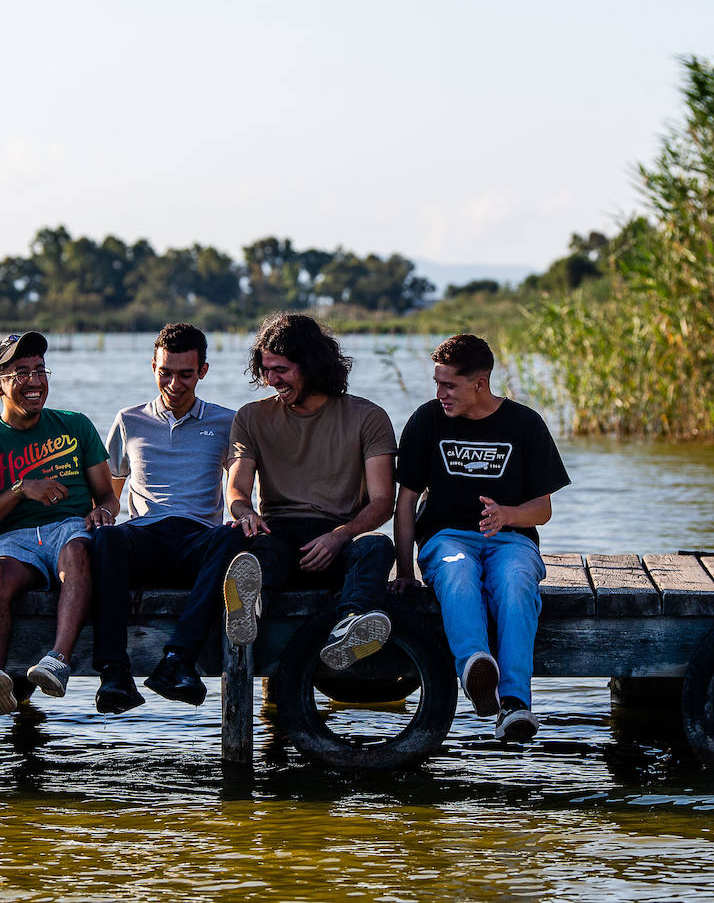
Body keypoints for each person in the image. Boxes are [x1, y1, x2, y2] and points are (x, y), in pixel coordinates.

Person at [390, 334, 570, 742]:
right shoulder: (427, 420)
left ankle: (514, 706)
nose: (440, 394)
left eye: (448, 385)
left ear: (479, 382)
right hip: (447, 538)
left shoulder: (525, 424)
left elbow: (542, 509)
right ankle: (475, 669)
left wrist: (508, 515)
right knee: (458, 575)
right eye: (437, 383)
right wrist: (404, 570)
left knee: (515, 584)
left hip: (513, 541)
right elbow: (406, 503)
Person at [89, 323, 247, 714]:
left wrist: (245, 514)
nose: (174, 383)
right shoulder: (129, 420)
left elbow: (236, 490)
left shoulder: (228, 422)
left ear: (203, 371)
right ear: (153, 367)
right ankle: (113, 672)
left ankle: (177, 660)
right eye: (165, 372)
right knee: (105, 538)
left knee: (232, 537)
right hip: (144, 538)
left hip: (197, 542)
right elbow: (112, 493)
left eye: (186, 374)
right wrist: (100, 512)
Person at [224, 313, 396, 668]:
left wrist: (339, 537)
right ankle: (250, 613)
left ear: (312, 364)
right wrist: (247, 514)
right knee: (259, 553)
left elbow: (383, 501)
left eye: (281, 369)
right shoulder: (251, 418)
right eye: (266, 369)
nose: (271, 379)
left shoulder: (368, 417)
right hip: (279, 532)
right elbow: (237, 490)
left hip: (339, 536)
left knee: (378, 546)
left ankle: (348, 627)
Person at [0, 331, 119, 714]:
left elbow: (108, 495)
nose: (34, 381)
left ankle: (57, 662)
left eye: (39, 370)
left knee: (79, 549)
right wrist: (20, 491)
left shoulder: (75, 425)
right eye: (21, 373)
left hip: (68, 527)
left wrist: (105, 513)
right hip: (15, 539)